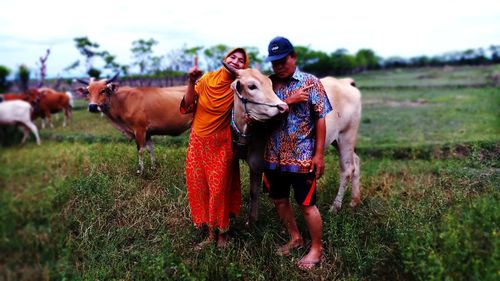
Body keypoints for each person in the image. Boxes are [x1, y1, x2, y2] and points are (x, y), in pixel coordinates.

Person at [262, 36, 332, 270]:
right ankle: (295, 237)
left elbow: (320, 119)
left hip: (302, 157)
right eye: (274, 63)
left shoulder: (310, 82)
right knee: (279, 200)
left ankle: (316, 249)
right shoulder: (267, 85)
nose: (278, 67)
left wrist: (319, 154)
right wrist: (289, 100)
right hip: (272, 156)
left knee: (307, 205)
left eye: (282, 61)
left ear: (294, 57)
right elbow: (262, 114)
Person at [180, 48, 249, 250]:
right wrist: (192, 81)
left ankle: (222, 234)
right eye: (232, 57)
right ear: (225, 58)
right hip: (197, 144)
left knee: (219, 190)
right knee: (201, 189)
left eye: (241, 60)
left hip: (220, 145)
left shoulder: (239, 87)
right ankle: (210, 233)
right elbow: (187, 106)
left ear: (244, 66)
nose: (236, 61)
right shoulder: (207, 79)